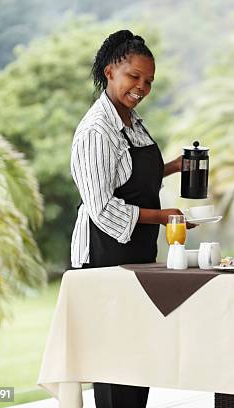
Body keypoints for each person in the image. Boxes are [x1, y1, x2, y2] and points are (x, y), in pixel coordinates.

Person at [69, 29, 186, 408]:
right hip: (105, 256)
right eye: (134, 76)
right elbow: (102, 207)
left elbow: (129, 179)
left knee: (137, 357)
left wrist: (174, 168)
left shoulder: (131, 121)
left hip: (135, 253)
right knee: (115, 361)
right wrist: (163, 217)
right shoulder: (96, 131)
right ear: (110, 72)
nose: (142, 86)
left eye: (148, 80)